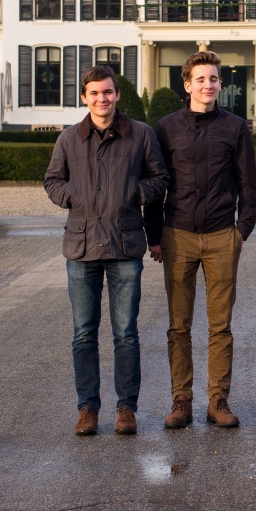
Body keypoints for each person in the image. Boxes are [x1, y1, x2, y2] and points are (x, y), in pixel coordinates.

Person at [43, 65, 168, 437]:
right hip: (81, 247)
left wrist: (134, 194)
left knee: (126, 333)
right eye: (95, 93)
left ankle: (126, 408)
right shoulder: (69, 139)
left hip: (125, 245)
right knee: (84, 333)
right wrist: (73, 196)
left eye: (108, 92)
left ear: (117, 95)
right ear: (84, 97)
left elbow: (160, 179)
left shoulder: (140, 135)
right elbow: (52, 181)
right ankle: (87, 409)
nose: (102, 99)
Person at [146, 51, 256, 429]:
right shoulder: (165, 128)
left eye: (213, 79)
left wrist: (241, 231)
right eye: (201, 79)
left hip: (221, 236)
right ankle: (181, 400)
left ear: (220, 84)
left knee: (220, 326)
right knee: (179, 325)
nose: (207, 85)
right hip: (177, 235)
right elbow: (156, 183)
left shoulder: (235, 128)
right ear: (187, 84)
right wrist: (154, 235)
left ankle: (217, 399)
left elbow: (248, 183)